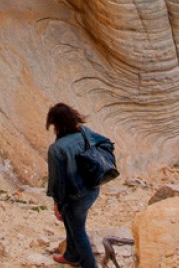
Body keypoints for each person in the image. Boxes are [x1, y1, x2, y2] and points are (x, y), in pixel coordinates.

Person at [46, 103, 107, 268]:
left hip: (76, 196)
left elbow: (56, 181)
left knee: (78, 231)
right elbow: (106, 143)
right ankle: (71, 255)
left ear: (56, 124)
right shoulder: (85, 133)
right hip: (92, 189)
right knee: (73, 222)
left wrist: (57, 203)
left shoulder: (56, 149)